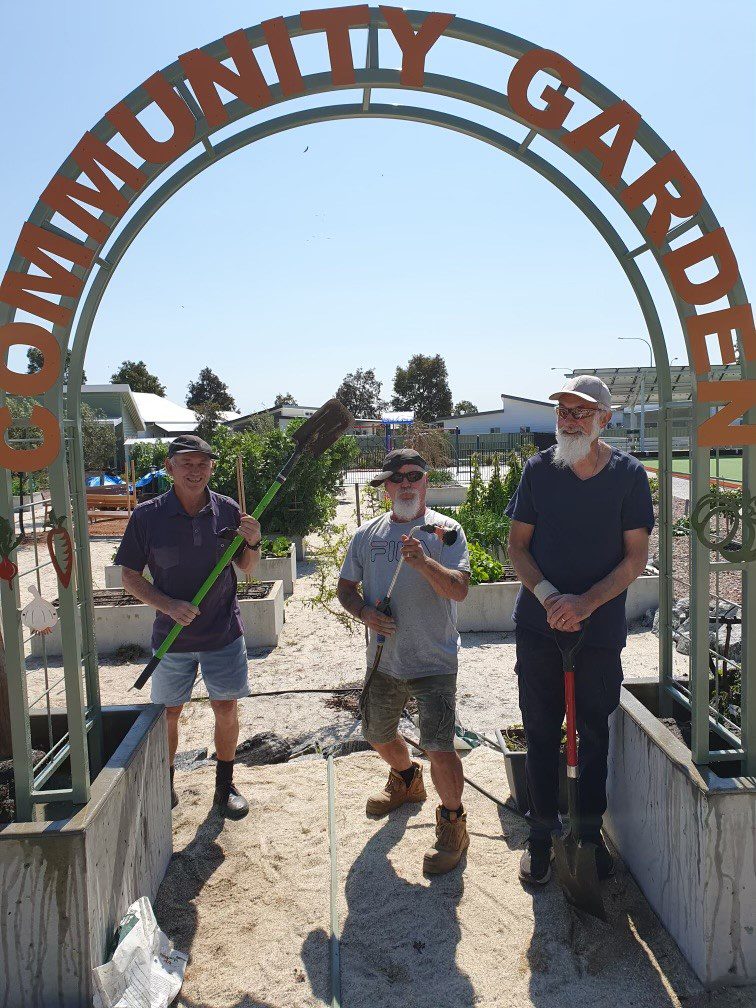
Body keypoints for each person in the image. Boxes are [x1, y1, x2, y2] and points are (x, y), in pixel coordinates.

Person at [505, 376, 654, 885]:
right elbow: (517, 547)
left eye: (581, 413)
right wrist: (550, 599)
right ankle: (542, 837)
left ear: (604, 420)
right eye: (564, 412)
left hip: (599, 628)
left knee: (592, 733)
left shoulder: (630, 477)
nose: (569, 421)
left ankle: (588, 837)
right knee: (541, 731)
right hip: (540, 625)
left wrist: (584, 604)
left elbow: (635, 559)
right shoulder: (538, 472)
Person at [337, 449, 471, 875]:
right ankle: (407, 780)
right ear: (385, 487)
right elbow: (346, 589)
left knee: (439, 746)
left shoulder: (445, 531)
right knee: (376, 732)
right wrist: (364, 613)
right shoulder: (367, 536)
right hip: (384, 660)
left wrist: (423, 561)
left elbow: (458, 591)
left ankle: (453, 825)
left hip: (433, 660)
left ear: (426, 482)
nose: (406, 483)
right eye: (397, 477)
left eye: (415, 475)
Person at [115, 434, 263, 819]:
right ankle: (165, 784)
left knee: (226, 708)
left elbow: (247, 568)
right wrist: (167, 605)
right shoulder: (147, 516)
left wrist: (254, 542)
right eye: (186, 463)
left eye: (202, 464)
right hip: (171, 639)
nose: (195, 471)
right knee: (169, 713)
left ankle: (224, 785)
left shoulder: (229, 511)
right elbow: (129, 576)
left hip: (222, 633)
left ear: (212, 467)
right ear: (169, 468)